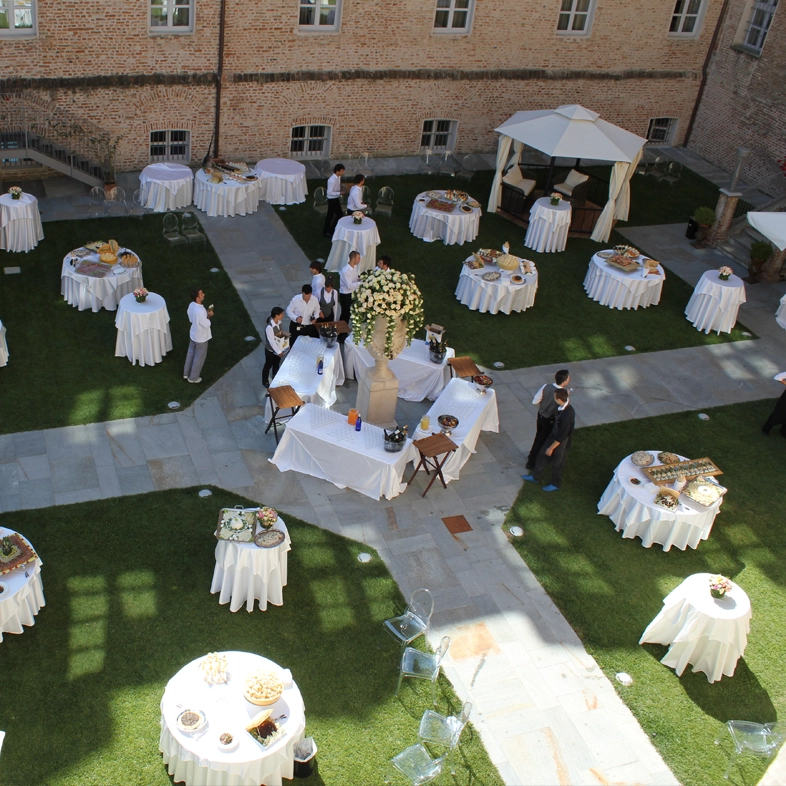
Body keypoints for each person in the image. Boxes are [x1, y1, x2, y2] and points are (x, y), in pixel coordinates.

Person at [521, 388, 575, 492]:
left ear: (559, 399)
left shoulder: (566, 416)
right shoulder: (564, 405)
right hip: (554, 436)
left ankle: (556, 484)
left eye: (555, 397)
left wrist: (551, 448)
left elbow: (562, 436)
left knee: (558, 463)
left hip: (561, 442)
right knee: (542, 455)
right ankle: (535, 476)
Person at [526, 369, 570, 471]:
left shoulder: (545, 387)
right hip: (550, 419)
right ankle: (532, 462)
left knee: (538, 436)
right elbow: (562, 409)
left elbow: (535, 401)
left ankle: (531, 455)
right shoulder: (563, 395)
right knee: (542, 440)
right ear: (565, 381)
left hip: (540, 416)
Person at [183, 288, 213, 384]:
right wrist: (209, 316)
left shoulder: (191, 305)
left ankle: (186, 373)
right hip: (201, 337)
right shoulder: (200, 311)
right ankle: (193, 378)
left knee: (190, 353)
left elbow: (191, 318)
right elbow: (206, 324)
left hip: (194, 334)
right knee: (199, 358)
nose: (203, 294)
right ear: (197, 297)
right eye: (201, 294)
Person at [262, 307, 288, 388]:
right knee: (268, 365)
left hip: (278, 349)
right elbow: (271, 342)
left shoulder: (279, 322)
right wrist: (279, 352)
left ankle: (275, 378)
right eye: (281, 314)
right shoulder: (269, 327)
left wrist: (286, 345)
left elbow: (280, 334)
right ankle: (265, 381)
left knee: (276, 364)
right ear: (276, 315)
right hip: (270, 351)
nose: (283, 316)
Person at [323, 163, 345, 238]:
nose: (343, 173)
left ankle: (326, 231)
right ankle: (332, 231)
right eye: (341, 171)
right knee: (339, 215)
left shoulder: (338, 177)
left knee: (330, 215)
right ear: (337, 171)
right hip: (332, 200)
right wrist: (340, 193)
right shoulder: (331, 180)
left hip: (335, 198)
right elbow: (329, 192)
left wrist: (340, 188)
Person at [339, 251, 362, 323]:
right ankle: (341, 331)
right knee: (345, 313)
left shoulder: (354, 267)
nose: (359, 260)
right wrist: (361, 283)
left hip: (352, 293)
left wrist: (359, 279)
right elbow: (349, 285)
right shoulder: (346, 271)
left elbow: (354, 279)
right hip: (346, 295)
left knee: (349, 313)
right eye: (358, 258)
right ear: (353, 259)